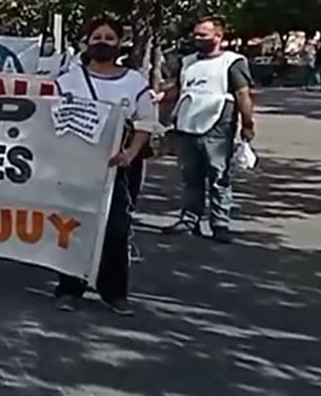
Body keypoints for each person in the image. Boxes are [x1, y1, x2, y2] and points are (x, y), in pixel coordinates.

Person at [52, 17, 156, 315]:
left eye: (110, 38)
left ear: (119, 43)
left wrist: (130, 153)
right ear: (86, 41)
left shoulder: (134, 82)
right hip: (77, 166)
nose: (103, 42)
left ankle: (114, 291)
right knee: (74, 225)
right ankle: (70, 288)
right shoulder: (67, 80)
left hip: (120, 168)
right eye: (97, 36)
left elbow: (145, 122)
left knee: (116, 229)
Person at [161, 16, 254, 243]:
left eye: (203, 34)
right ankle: (189, 219)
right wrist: (160, 98)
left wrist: (247, 124)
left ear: (219, 37)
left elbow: (243, 94)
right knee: (190, 177)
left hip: (217, 127)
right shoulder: (188, 62)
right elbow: (179, 89)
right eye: (196, 34)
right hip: (187, 126)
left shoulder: (232, 62)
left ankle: (220, 224)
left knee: (218, 176)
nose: (197, 38)